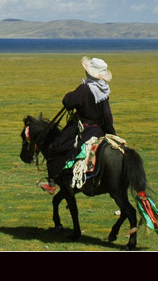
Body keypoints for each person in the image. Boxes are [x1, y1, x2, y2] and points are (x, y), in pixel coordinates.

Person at [38, 56, 116, 194]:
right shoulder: (104, 90)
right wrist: (112, 133)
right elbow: (107, 115)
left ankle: (52, 182)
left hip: (83, 129)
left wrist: (73, 93)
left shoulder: (85, 89)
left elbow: (67, 102)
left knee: (55, 147)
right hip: (98, 130)